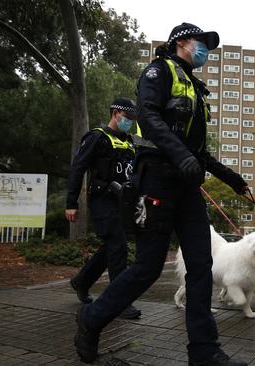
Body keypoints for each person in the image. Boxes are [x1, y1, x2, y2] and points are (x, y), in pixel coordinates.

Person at [74, 23, 248, 366]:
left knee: (201, 266)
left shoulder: (194, 88)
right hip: (156, 181)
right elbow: (150, 118)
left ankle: (204, 350)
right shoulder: (158, 72)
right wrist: (181, 156)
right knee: (147, 268)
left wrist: (231, 178)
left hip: (186, 185)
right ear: (182, 42)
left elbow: (196, 149)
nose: (205, 52)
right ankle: (91, 319)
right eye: (202, 44)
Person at [66, 97, 142, 320]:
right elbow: (78, 169)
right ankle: (119, 302)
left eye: (133, 119)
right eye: (127, 117)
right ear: (116, 113)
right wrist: (71, 203)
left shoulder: (130, 142)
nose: (130, 122)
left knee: (112, 247)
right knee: (118, 247)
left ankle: (81, 281)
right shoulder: (96, 137)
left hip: (123, 203)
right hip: (102, 201)